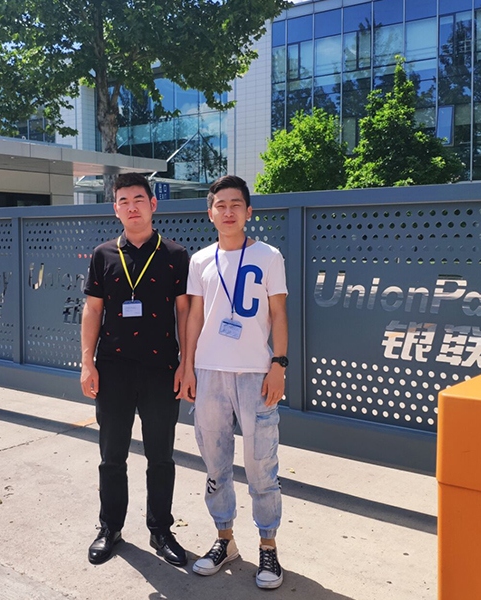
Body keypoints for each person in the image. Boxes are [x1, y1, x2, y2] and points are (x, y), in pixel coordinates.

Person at [179, 175, 288, 589]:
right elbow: (195, 316)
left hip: (255, 374)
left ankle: (268, 546)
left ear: (248, 211)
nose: (228, 212)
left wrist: (278, 364)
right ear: (210, 212)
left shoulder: (268, 256)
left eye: (235, 205)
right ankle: (224, 539)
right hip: (209, 373)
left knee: (261, 465)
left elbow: (278, 314)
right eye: (220, 205)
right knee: (215, 464)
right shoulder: (200, 260)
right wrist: (188, 365)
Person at [81, 173, 189, 567]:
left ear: (153, 204)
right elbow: (93, 310)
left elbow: (184, 313)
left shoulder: (176, 255)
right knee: (112, 456)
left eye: (138, 199)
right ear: (116, 209)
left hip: (162, 368)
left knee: (161, 457)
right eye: (124, 201)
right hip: (114, 370)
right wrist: (87, 363)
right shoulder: (103, 255)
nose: (132, 207)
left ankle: (161, 530)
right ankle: (110, 527)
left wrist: (187, 364)